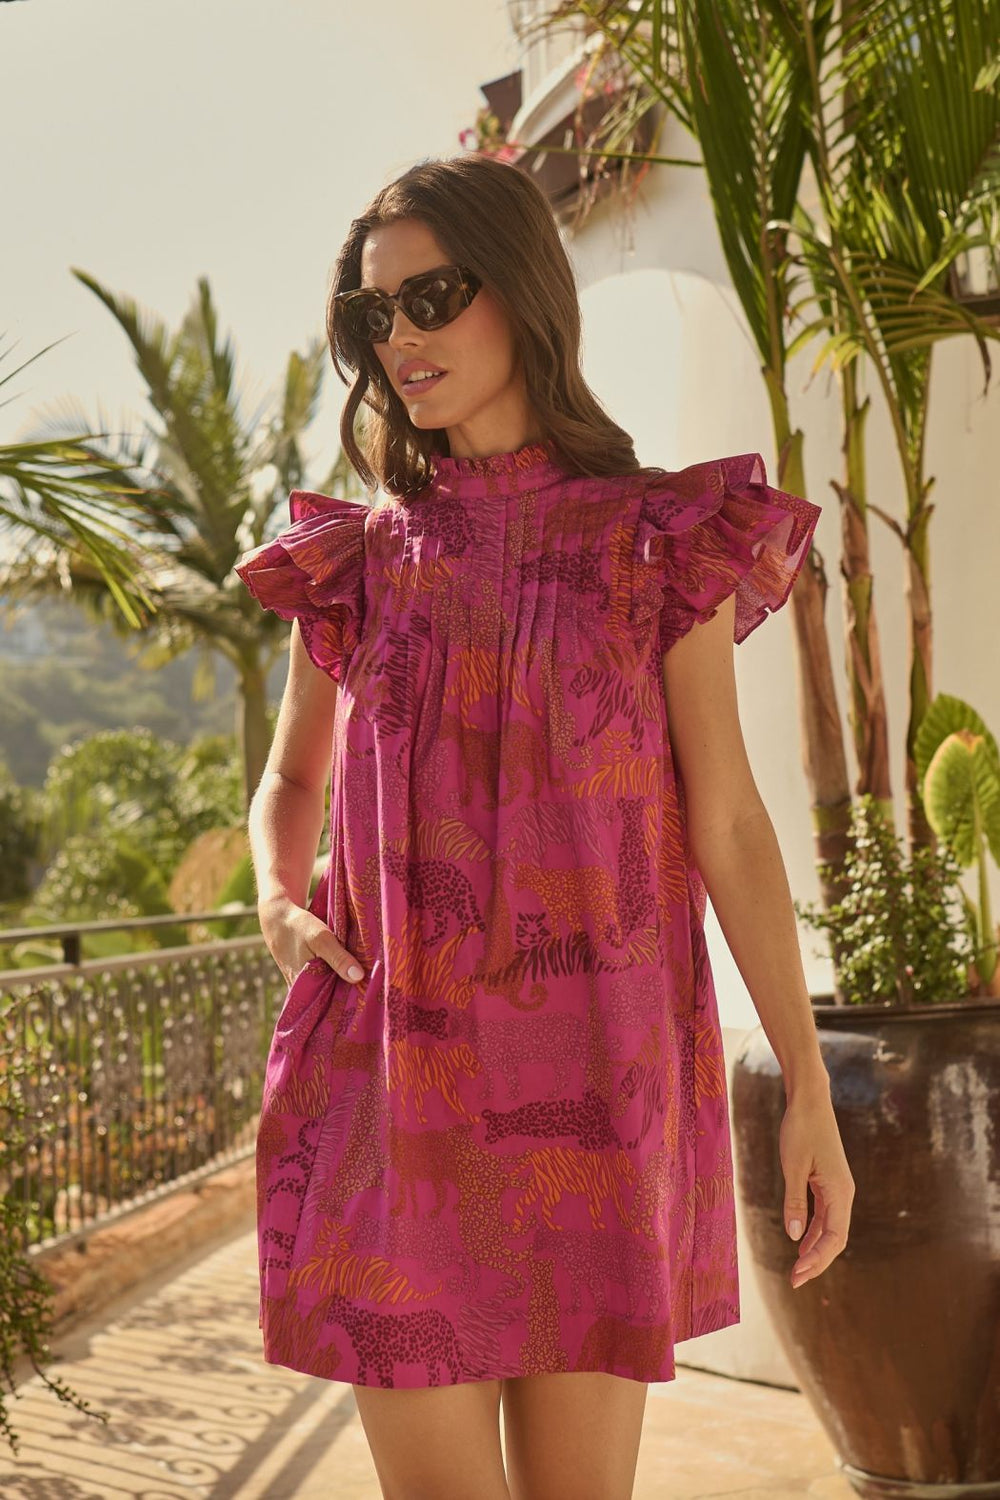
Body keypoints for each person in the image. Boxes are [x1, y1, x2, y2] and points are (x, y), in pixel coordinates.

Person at [234, 153, 855, 1500]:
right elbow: (290, 783)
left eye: (430, 297)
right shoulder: (354, 566)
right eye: (368, 316)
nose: (398, 338)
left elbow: (733, 824)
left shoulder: (659, 540)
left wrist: (808, 1086)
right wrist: (282, 902)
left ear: (520, 291)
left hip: (599, 1102)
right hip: (398, 1101)